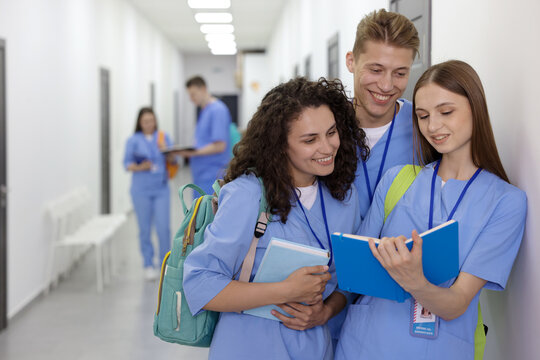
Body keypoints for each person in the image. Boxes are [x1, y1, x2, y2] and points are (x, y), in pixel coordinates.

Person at [335, 60, 527, 359]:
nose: (433, 126)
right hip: (364, 345)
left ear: (475, 108)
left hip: (441, 348)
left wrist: (414, 280)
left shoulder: (505, 201)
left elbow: (457, 303)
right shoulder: (396, 180)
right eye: (423, 116)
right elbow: (353, 269)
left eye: (446, 112)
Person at [183, 77, 368, 359]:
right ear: (280, 145)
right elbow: (200, 284)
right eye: (310, 139)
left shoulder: (344, 196)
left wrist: (325, 312)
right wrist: (286, 290)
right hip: (249, 346)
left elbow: (349, 280)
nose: (328, 147)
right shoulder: (248, 195)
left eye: (331, 133)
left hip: (315, 346)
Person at [329, 8, 420, 347]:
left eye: (400, 73)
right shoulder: (323, 127)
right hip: (324, 287)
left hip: (392, 298)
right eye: (376, 69)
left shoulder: (424, 128)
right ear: (351, 61)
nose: (386, 85)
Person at [123, 107, 175, 280]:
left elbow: (175, 161)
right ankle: (148, 263)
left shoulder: (163, 137)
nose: (148, 124)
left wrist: (166, 151)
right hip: (141, 190)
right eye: (145, 121)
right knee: (144, 229)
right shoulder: (133, 140)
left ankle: (165, 263)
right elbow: (127, 164)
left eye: (151, 120)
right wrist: (140, 167)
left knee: (163, 228)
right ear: (139, 122)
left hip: (161, 189)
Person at [179, 75, 232, 197]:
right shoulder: (205, 111)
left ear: (203, 89)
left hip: (212, 176)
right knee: (199, 212)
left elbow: (220, 146)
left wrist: (191, 153)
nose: (191, 99)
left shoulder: (217, 110)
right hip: (201, 175)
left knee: (208, 213)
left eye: (193, 94)